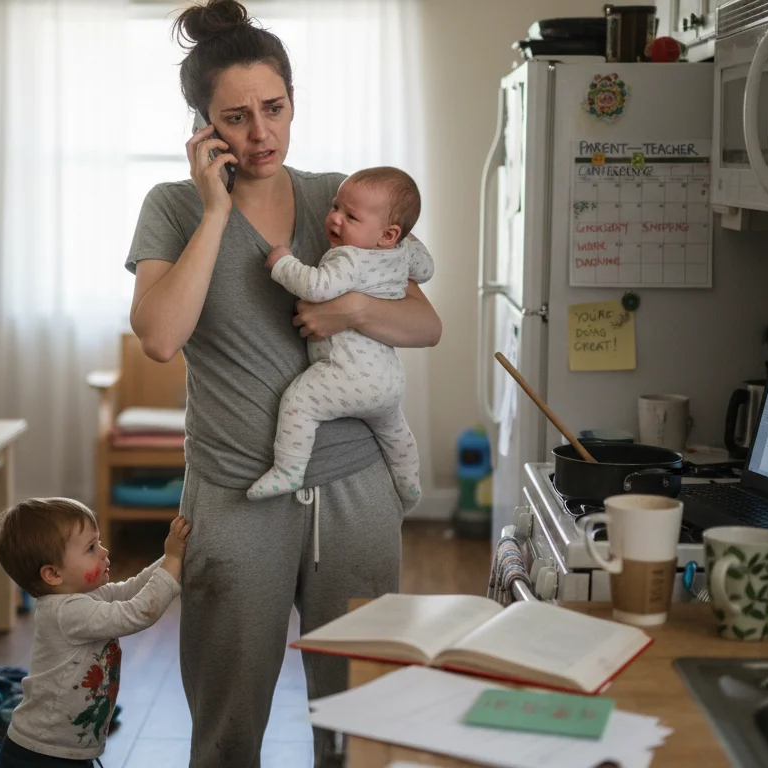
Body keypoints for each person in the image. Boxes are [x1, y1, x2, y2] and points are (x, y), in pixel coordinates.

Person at [125, 1, 442, 764]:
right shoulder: (172, 208)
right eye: (235, 118)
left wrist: (351, 309)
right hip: (236, 494)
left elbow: (424, 323)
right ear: (203, 128)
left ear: (294, 101)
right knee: (227, 728)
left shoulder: (340, 201)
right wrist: (214, 213)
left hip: (356, 492)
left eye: (273, 108)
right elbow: (161, 337)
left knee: (362, 723)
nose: (260, 134)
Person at [249, 166, 434, 512]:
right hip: (388, 381)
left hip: (347, 376)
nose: (335, 219)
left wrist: (282, 263)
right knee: (396, 434)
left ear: (387, 234)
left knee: (299, 403)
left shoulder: (348, 257)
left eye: (351, 216)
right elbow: (427, 269)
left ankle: (289, 470)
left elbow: (316, 287)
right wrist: (403, 238)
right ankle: (409, 486)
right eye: (336, 207)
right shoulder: (402, 252)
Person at [0, 498, 190, 768]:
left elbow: (131, 589)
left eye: (98, 542)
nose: (103, 551)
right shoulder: (66, 612)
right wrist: (173, 560)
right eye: (91, 548)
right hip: (41, 756)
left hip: (66, 750)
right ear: (53, 574)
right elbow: (138, 612)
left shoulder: (85, 596)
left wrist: (172, 558)